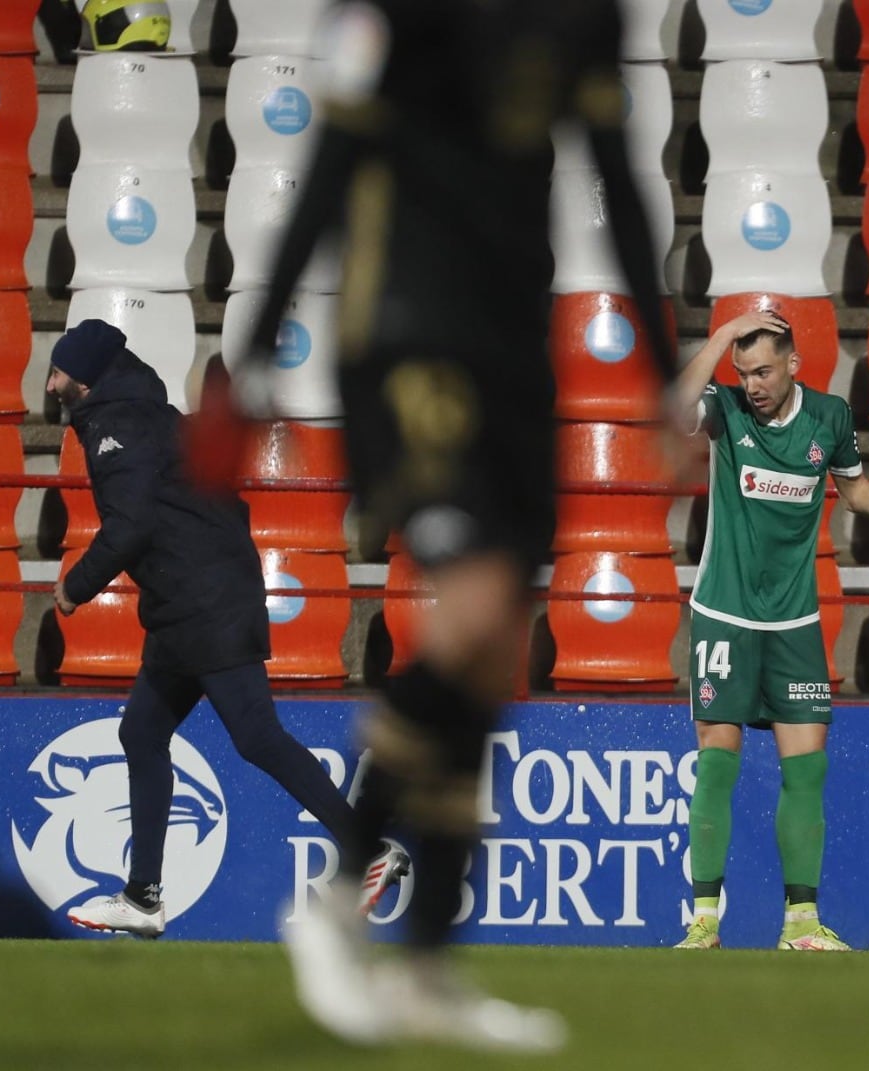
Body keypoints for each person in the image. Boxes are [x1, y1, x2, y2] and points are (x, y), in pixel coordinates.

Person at [190, 0, 682, 1050]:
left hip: (513, 355)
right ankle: (331, 903)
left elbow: (615, 173)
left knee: (490, 657)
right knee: (464, 618)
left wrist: (658, 368)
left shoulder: (585, 17)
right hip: (404, 336)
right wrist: (259, 352)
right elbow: (330, 161)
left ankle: (423, 968)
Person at [47, 319, 405, 938]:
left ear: (82, 376)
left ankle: (368, 849)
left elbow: (129, 526)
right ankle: (143, 897)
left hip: (203, 602)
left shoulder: (116, 427)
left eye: (55, 371)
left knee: (257, 737)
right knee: (142, 731)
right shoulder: (149, 416)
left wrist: (75, 586)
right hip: (190, 602)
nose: (49, 384)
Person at [671, 312, 869, 952]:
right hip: (726, 613)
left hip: (795, 619)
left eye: (764, 370)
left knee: (807, 773)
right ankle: (703, 921)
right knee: (718, 764)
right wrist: (726, 335)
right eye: (744, 373)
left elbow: (857, 495)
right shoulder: (726, 409)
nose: (754, 384)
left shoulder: (829, 417)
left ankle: (800, 924)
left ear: (795, 364)